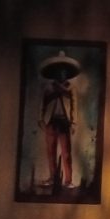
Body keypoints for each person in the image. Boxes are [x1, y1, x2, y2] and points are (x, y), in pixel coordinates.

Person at [38, 51, 79, 189]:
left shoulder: (70, 88)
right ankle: (52, 178)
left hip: (64, 122)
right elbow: (42, 104)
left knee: (66, 153)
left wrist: (73, 122)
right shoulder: (48, 88)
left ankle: (68, 181)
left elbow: (74, 105)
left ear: (67, 73)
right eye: (58, 71)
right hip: (51, 121)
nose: (61, 73)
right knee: (51, 151)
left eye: (64, 71)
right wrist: (41, 119)